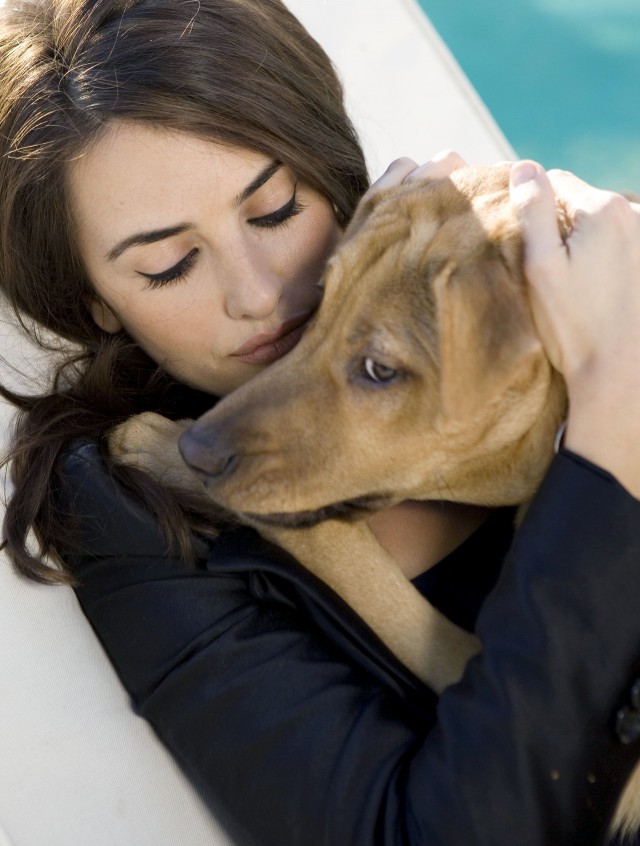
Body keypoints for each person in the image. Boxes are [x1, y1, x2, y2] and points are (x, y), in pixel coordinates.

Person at [1, 0, 640, 844]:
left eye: (274, 211)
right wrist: (610, 438)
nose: (259, 293)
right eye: (171, 264)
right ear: (98, 303)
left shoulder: (486, 287)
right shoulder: (134, 521)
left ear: (330, 172)